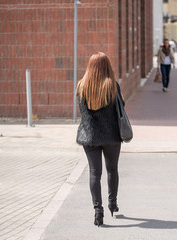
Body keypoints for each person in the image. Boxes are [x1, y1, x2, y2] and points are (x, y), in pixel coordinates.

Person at [76, 52, 124, 227]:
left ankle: (98, 211)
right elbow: (121, 108)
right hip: (111, 136)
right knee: (112, 169)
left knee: (94, 173)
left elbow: (83, 112)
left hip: (90, 136)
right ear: (106, 66)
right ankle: (113, 203)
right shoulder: (112, 86)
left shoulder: (81, 86)